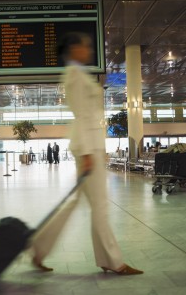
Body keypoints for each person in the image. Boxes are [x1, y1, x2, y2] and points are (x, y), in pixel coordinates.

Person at [31, 32, 143, 275]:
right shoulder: (74, 76)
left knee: (78, 203)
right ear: (73, 50)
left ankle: (39, 247)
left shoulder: (77, 74)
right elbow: (83, 116)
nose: (88, 50)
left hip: (90, 148)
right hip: (87, 148)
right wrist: (89, 153)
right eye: (85, 46)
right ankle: (114, 262)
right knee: (100, 208)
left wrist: (96, 151)